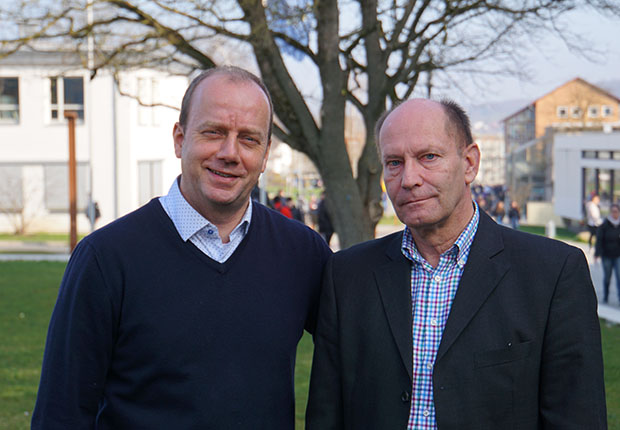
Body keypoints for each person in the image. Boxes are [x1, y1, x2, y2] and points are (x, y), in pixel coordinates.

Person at [32, 66, 332, 429]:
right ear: (179, 139)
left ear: (266, 154)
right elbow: (61, 413)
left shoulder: (302, 254)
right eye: (213, 133)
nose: (229, 153)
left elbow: (362, 351)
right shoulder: (106, 258)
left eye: (249, 139)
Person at [306, 98, 606, 429]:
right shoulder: (347, 275)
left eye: (428, 157)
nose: (409, 179)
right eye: (393, 162)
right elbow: (326, 413)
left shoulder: (552, 273)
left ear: (470, 163)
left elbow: (577, 416)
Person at [595, 203, 620, 303]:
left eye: (616, 211)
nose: (615, 214)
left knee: (619, 277)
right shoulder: (605, 225)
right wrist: (597, 253)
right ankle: (606, 296)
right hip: (607, 255)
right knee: (607, 277)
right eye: (613, 211)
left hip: (618, 255)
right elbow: (599, 240)